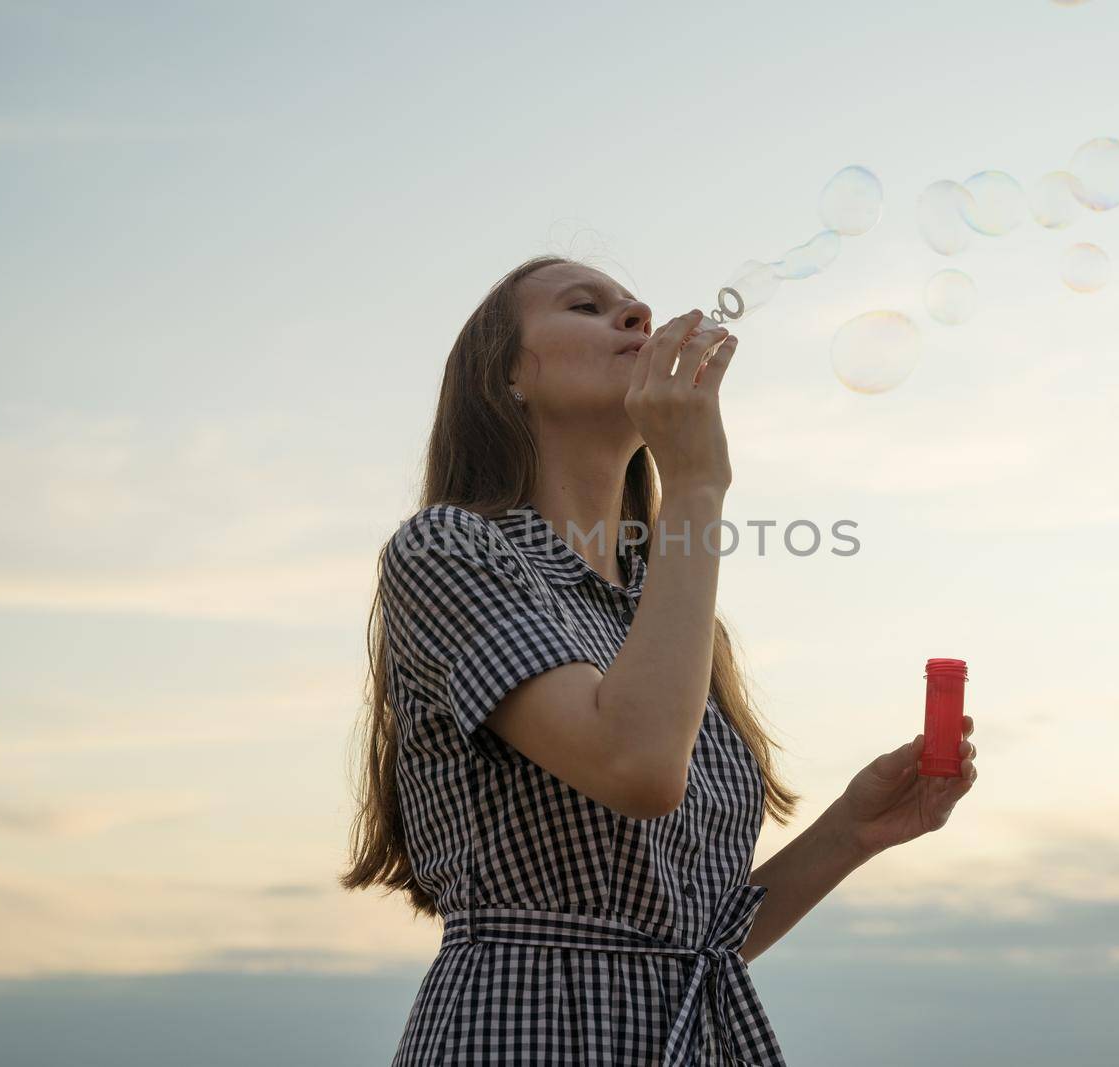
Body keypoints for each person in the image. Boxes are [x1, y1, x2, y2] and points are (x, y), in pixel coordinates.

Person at [341, 255, 979, 1065]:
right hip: (521, 1034)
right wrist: (700, 484)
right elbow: (638, 764)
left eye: (632, 302)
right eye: (586, 305)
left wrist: (855, 827)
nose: (636, 311)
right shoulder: (448, 549)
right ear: (506, 379)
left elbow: (691, 940)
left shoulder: (663, 609)